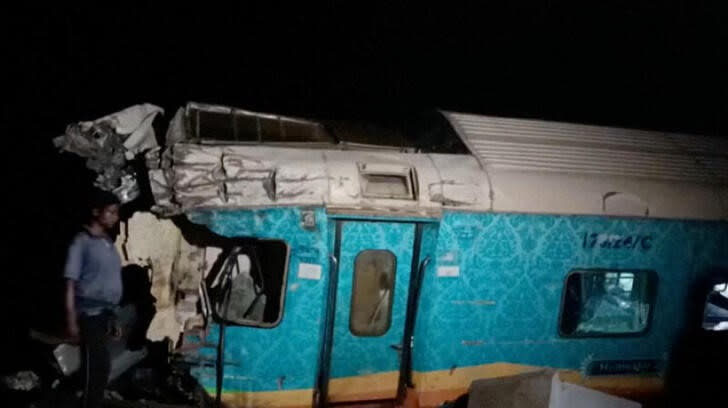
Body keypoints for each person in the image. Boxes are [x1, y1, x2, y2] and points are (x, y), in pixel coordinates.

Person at [64, 189, 123, 408]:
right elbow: (70, 282)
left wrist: (114, 317)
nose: (114, 217)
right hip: (88, 313)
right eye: (110, 212)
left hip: (105, 313)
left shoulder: (107, 243)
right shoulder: (82, 242)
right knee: (95, 367)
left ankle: (89, 402)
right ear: (96, 212)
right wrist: (71, 320)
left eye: (116, 213)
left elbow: (110, 281)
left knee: (102, 366)